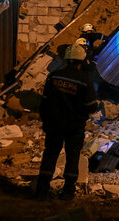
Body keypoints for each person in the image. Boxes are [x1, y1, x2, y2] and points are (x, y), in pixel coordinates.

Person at [36, 44, 98, 201]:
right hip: (74, 127)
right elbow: (90, 106)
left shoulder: (54, 76)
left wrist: (45, 121)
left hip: (54, 124)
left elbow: (44, 102)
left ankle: (42, 189)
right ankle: (68, 191)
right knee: (72, 156)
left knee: (50, 154)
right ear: (81, 61)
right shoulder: (84, 81)